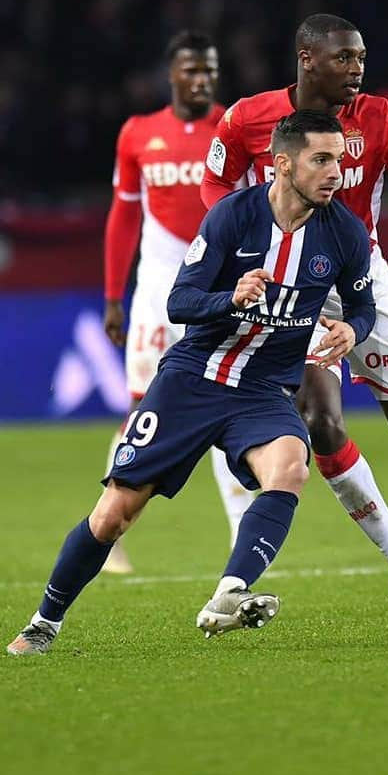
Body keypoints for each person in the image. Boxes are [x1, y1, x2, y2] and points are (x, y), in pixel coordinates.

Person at [7, 111, 376, 653]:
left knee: (290, 467)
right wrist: (232, 297)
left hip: (260, 391)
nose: (335, 173)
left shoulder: (343, 233)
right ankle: (44, 622)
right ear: (281, 164)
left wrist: (351, 327)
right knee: (115, 513)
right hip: (193, 380)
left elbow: (364, 306)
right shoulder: (233, 217)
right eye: (321, 159)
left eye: (339, 160)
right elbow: (180, 301)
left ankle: (231, 590)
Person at [202, 13, 388, 623]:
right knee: (321, 423)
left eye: (361, 58)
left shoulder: (379, 118)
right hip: (291, 288)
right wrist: (243, 243)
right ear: (307, 57)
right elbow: (214, 185)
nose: (357, 69)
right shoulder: (247, 119)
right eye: (344, 59)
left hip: (361, 276)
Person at [101, 30, 255, 573]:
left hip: (219, 290)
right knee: (143, 408)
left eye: (209, 70)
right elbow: (123, 216)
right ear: (171, 74)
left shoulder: (234, 130)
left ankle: (244, 537)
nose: (201, 79)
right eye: (191, 70)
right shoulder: (139, 133)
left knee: (224, 407)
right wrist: (112, 296)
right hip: (155, 293)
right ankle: (110, 530)